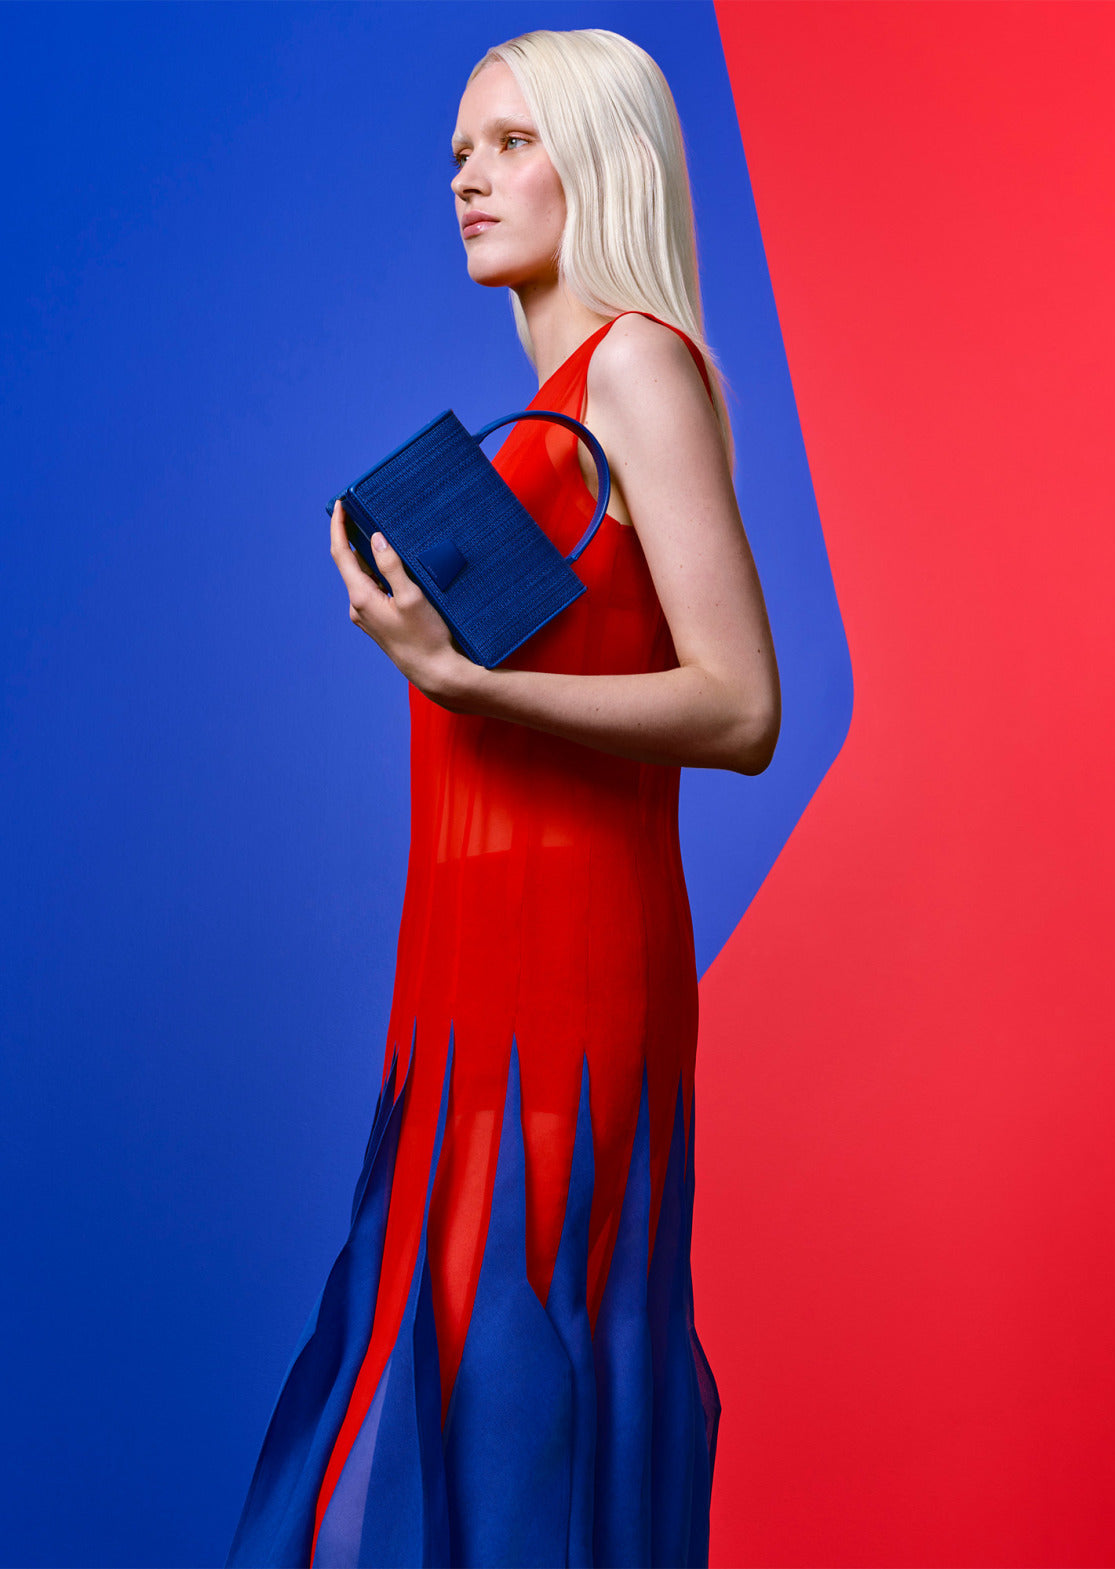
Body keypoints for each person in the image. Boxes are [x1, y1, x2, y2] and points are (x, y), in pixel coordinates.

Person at [226, 27, 779, 1569]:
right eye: (461, 153)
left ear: (600, 161)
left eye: (511, 144)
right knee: (447, 1383)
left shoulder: (639, 368)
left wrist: (463, 681)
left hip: (572, 960)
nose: (469, 178)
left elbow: (740, 706)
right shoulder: (546, 409)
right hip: (459, 970)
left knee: (508, 1389)